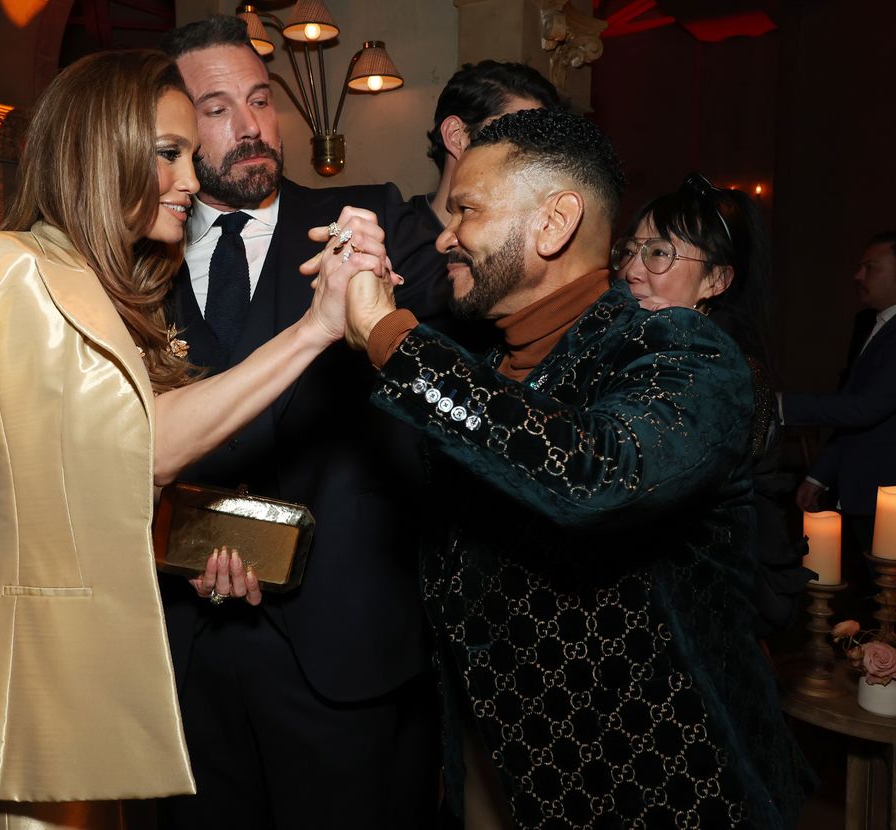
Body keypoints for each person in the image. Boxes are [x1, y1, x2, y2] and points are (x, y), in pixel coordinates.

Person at [0, 49, 385, 830]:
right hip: (27, 696)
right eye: (169, 154)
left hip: (117, 676)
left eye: (191, 155)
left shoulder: (125, 292)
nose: (193, 182)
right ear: (100, 151)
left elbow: (116, 474)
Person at [342, 108, 815, 828]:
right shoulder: (487, 369)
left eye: (466, 210)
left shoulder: (682, 355)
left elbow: (595, 474)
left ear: (554, 222)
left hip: (662, 796)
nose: (445, 236)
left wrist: (391, 338)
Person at [155, 18, 447, 829]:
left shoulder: (369, 220)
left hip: (339, 651)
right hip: (184, 647)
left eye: (260, 99)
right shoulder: (139, 262)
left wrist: (383, 292)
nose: (251, 128)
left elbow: (465, 311)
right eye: (216, 110)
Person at [615, 174, 813, 638]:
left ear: (717, 280)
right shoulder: (635, 350)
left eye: (660, 252)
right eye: (630, 249)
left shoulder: (724, 378)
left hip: (697, 617)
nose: (632, 270)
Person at [783, 231, 896, 555]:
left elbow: (866, 408)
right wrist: (820, 476)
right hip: (864, 493)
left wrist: (778, 404)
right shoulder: (877, 323)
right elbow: (851, 401)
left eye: (870, 267)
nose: (857, 275)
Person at [418, 59, 565, 231]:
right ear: (456, 136)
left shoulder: (529, 245)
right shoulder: (388, 228)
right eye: (515, 136)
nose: (533, 157)